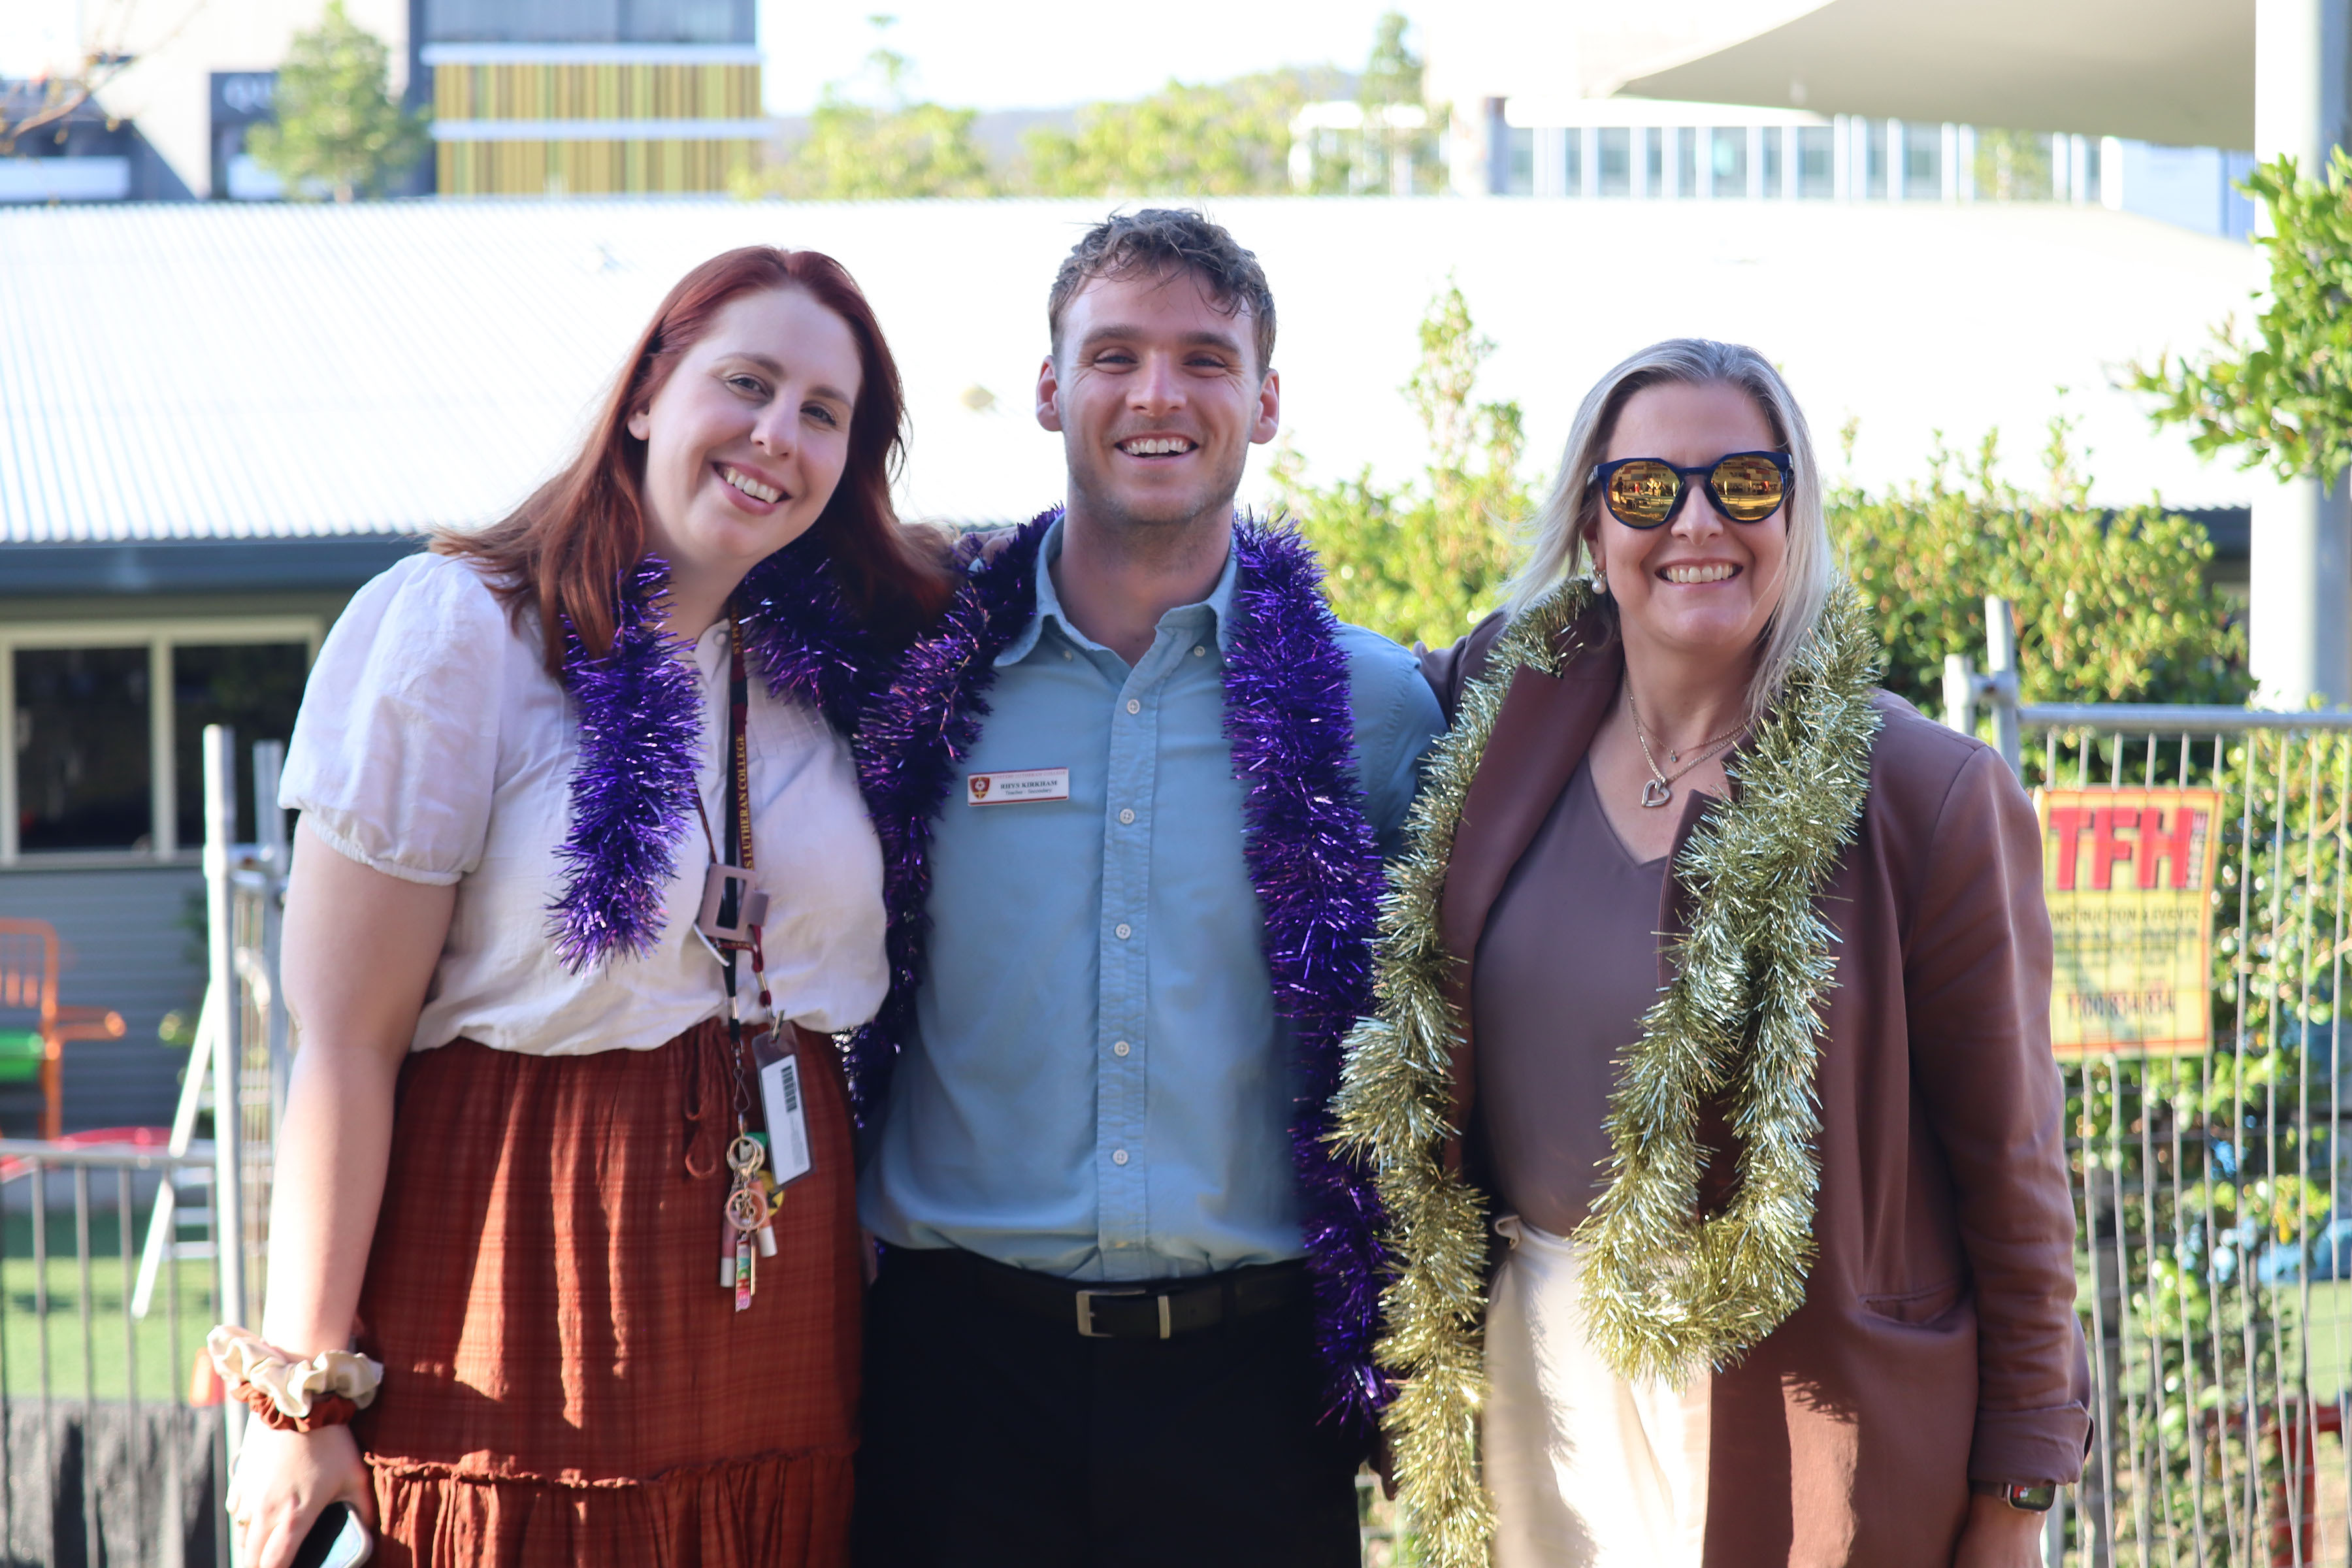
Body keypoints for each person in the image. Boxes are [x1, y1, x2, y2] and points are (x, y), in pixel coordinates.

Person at [217, 246, 951, 1568]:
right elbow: (343, 1044)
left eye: (823, 413)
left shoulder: (822, 666)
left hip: (777, 1304)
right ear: (646, 395)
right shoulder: (461, 630)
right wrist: (299, 1397)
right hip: (525, 1267)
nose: (777, 436)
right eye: (747, 383)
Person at [1333, 338, 2091, 1568]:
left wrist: (2018, 1491)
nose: (1697, 522)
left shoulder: (1924, 795)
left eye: (1743, 483)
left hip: (1798, 1389)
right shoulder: (1502, 713)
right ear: (1592, 525)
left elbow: (2015, 1170)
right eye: (1646, 489)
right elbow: (1320, 678)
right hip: (1538, 1368)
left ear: (1794, 512)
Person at [845, 208, 1445, 1567]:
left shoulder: (1372, 710)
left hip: (1253, 1397)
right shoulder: (916, 681)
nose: (1158, 395)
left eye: (1205, 359)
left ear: (1266, 402)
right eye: (1113, 355)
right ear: (1050, 388)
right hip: (952, 1382)